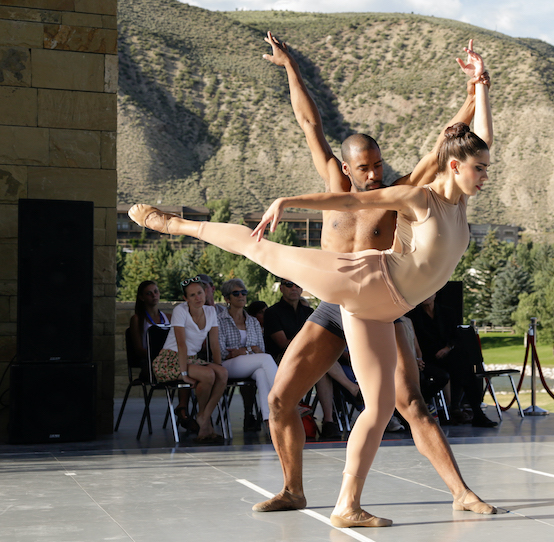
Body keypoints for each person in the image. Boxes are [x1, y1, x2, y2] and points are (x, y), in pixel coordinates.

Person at [127, 35, 495, 527]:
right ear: (345, 167)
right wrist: (290, 69)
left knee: (401, 402)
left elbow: (454, 145)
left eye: (378, 165)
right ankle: (293, 490)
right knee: (280, 391)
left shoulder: (405, 191)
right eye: (364, 167)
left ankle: (453, 492)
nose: (374, 173)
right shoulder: (342, 184)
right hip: (342, 294)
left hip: (379, 303)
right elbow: (310, 124)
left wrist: (476, 92)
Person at [150, 276, 228, 444]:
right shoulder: (181, 310)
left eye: (200, 293)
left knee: (222, 373)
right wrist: (184, 373)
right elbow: (181, 344)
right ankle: (205, 424)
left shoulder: (210, 311)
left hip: (191, 359)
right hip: (171, 358)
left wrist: (218, 365)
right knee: (208, 375)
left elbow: (214, 343)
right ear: (186, 298)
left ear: (205, 293)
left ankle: (203, 417)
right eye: (192, 295)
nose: (197, 298)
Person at [408, 289, 495, 427]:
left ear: (435, 294)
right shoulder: (413, 316)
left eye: (430, 292)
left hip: (446, 354)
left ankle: (474, 412)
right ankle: (453, 408)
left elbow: (456, 336)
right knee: (459, 370)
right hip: (427, 358)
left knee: (464, 367)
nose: (426, 296)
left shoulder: (447, 312)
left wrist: (447, 348)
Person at [216, 278, 279, 433]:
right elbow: (223, 352)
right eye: (236, 293)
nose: (241, 296)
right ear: (227, 298)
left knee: (262, 373)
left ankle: (269, 420)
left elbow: (261, 349)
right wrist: (251, 350)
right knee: (266, 360)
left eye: (243, 292)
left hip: (250, 364)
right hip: (227, 366)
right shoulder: (219, 320)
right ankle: (286, 398)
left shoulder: (253, 322)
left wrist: (243, 351)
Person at [263, 279, 313, 362]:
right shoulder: (272, 312)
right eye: (289, 284)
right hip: (283, 357)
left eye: (297, 284)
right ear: (281, 288)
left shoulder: (309, 312)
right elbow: (283, 344)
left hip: (308, 352)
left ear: (301, 289)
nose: (294, 288)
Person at [128, 280, 169, 361]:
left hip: (169, 357)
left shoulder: (169, 317)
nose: (154, 295)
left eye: (156, 292)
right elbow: (139, 349)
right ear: (141, 297)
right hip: (149, 360)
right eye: (149, 293)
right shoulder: (137, 319)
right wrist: (159, 357)